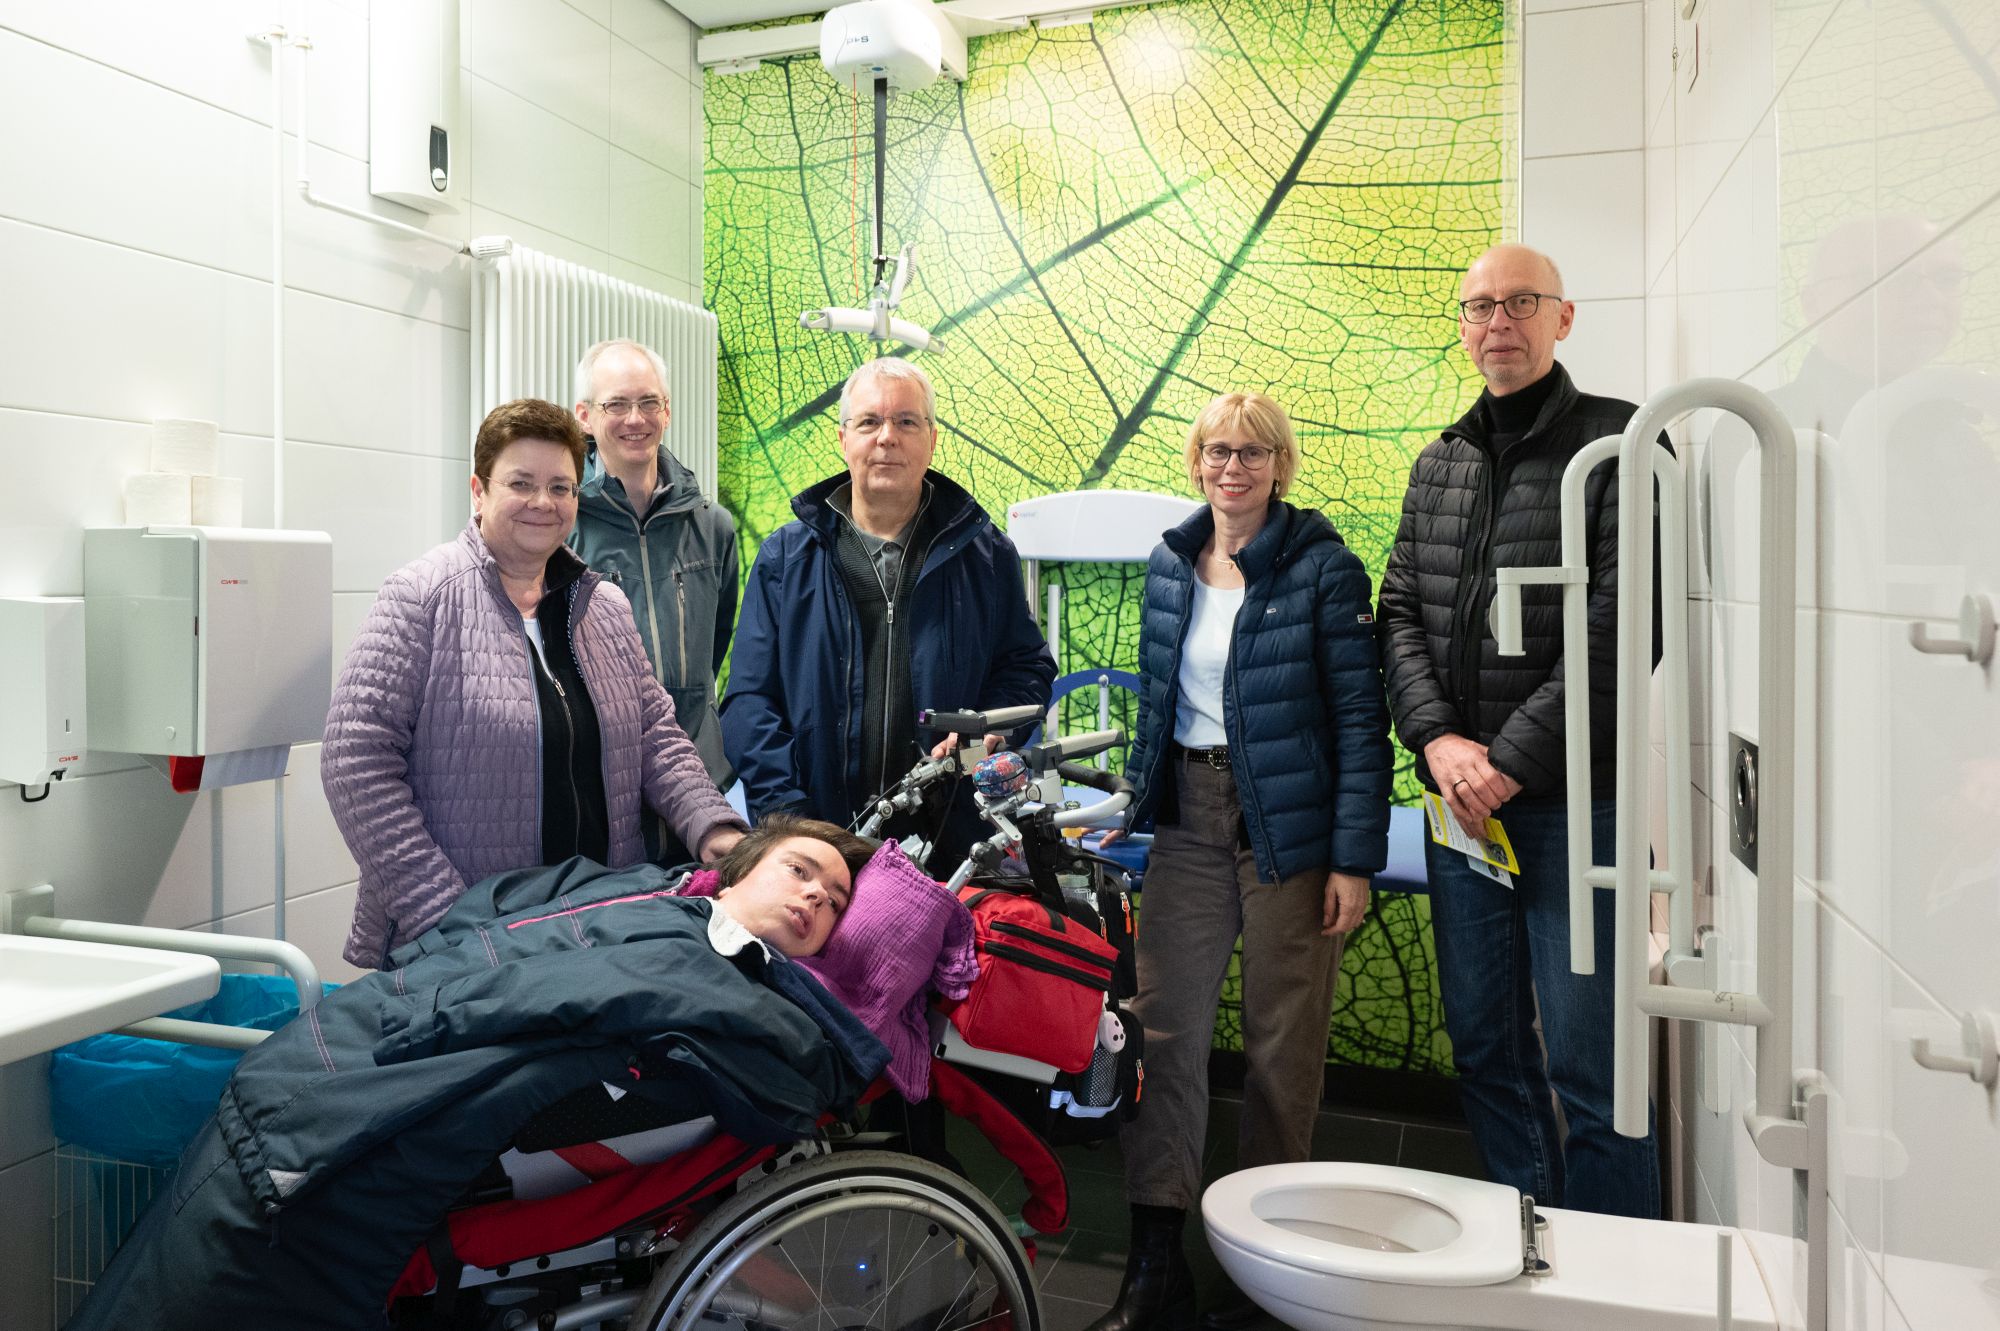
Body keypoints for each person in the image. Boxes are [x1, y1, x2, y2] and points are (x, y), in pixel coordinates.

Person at [65, 816, 886, 1331]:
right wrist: (423, 976)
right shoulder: (659, 897)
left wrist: (426, 1009)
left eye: (837, 903)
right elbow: (508, 909)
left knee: (255, 1211)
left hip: (415, 1052)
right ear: (744, 866)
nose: (817, 895)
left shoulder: (737, 981)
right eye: (801, 869)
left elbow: (568, 989)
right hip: (405, 1013)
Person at [1090, 392, 1393, 1331]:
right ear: (1196, 463)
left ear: (1281, 465)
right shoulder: (1171, 565)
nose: (1233, 467)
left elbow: (1358, 722)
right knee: (1164, 1032)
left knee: (1280, 1049)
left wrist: (1353, 858)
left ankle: (1269, 1273)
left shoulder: (1324, 570)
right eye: (1218, 450)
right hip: (1187, 817)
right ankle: (1156, 1264)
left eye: (1253, 452)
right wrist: (1127, 811)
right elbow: (1156, 703)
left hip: (1286, 834)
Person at [1375, 243, 1661, 1218]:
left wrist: (1505, 761)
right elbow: (1400, 611)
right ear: (1460, 326)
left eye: (1519, 302)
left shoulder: (1621, 445)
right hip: (1459, 807)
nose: (1498, 320)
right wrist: (1437, 745)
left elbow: (1628, 624)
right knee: (1486, 1047)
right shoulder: (1439, 460)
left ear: (1561, 317)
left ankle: (1619, 1280)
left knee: (1591, 1064)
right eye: (1478, 306)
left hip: (1575, 804)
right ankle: (1527, 1247)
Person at [324, 397, 749, 969]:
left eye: (561, 487)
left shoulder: (605, 608)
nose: (543, 503)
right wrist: (442, 910)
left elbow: (657, 737)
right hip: (468, 943)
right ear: (479, 490)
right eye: (521, 483)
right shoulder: (421, 598)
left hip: (597, 923)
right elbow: (355, 761)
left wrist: (713, 828)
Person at [720, 358, 1057, 863]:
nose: (887, 437)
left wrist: (989, 733)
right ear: (843, 439)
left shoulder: (985, 555)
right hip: (816, 834)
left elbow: (1025, 667)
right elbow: (749, 703)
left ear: (932, 440)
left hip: (951, 834)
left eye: (906, 421)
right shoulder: (786, 558)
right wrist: (790, 817)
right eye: (869, 422)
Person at [571, 340, 741, 822]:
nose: (635, 419)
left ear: (666, 411)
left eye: (649, 402)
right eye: (616, 404)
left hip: (701, 771)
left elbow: (716, 643)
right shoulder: (562, 527)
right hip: (608, 781)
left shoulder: (713, 527)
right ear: (585, 416)